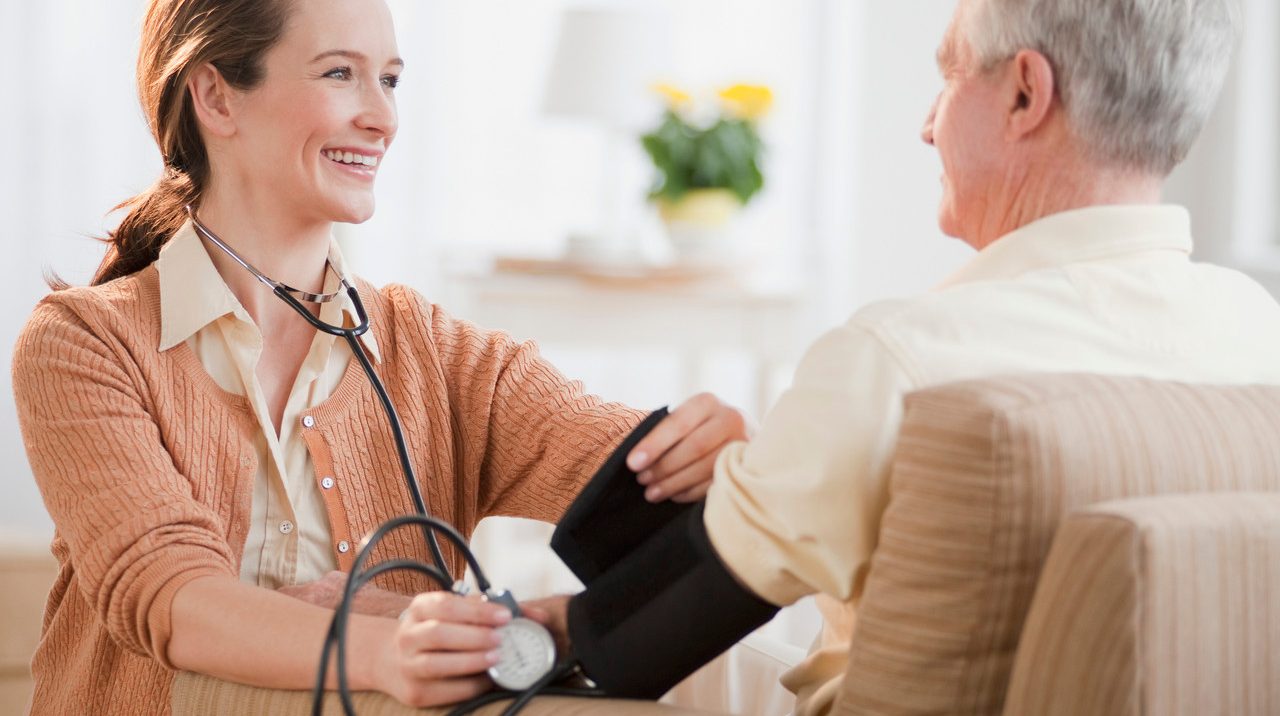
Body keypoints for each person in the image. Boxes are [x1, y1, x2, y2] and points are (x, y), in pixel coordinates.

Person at [10, 0, 747, 713]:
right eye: (339, 74)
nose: (383, 117)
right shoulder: (84, 342)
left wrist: (717, 460)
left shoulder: (441, 356)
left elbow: (679, 504)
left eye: (389, 79)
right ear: (216, 97)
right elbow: (170, 597)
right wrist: (387, 649)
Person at [548, 0, 1280, 713]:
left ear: (1026, 92)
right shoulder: (1260, 335)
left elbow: (621, 644)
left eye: (952, 75)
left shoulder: (901, 362)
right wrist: (771, 470)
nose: (927, 125)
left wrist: (510, 633)